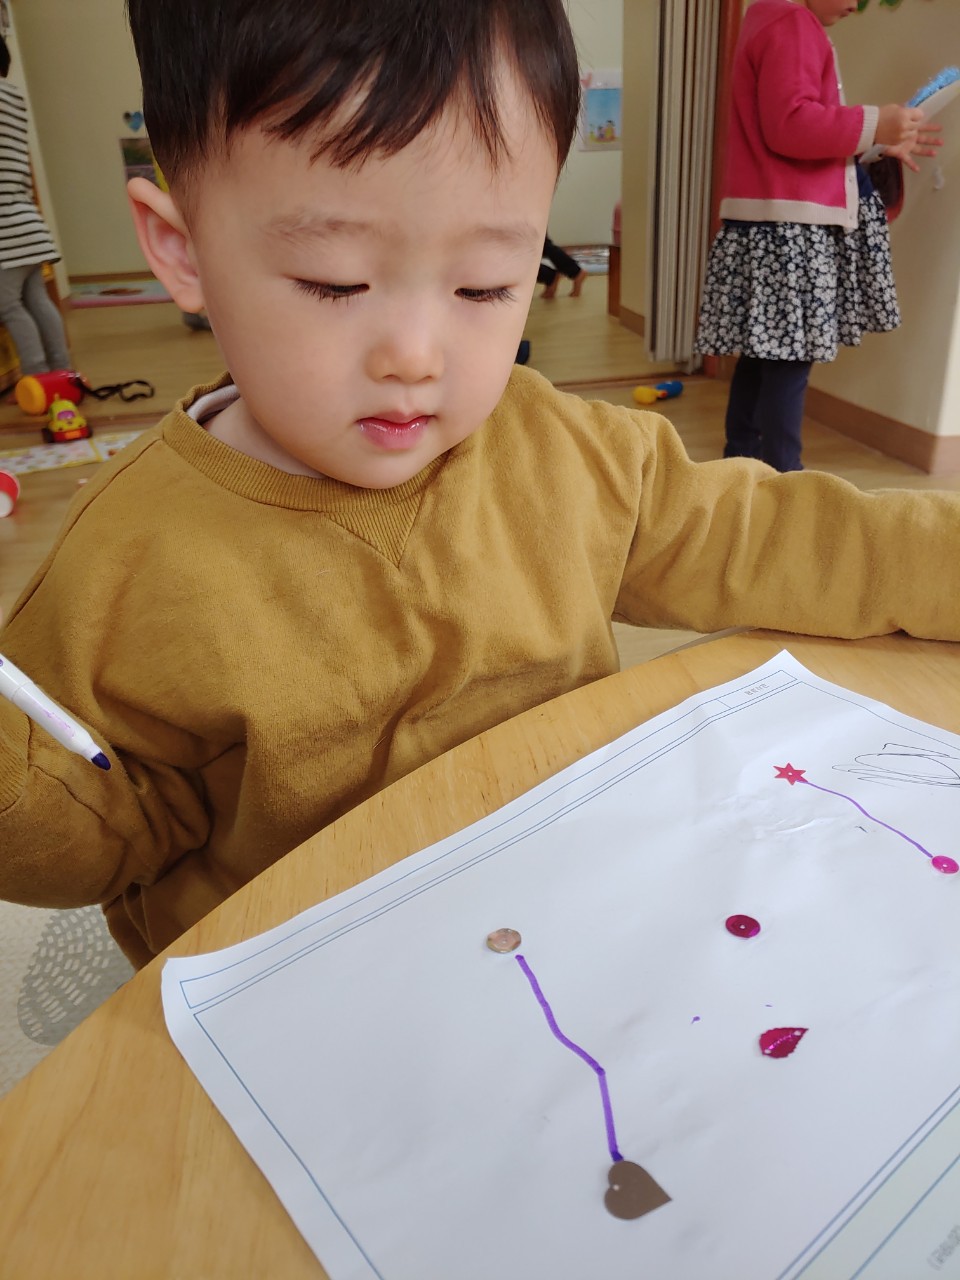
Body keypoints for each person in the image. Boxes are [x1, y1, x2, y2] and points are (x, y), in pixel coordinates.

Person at [1, 0, 960, 968]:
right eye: (335, 282)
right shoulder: (122, 565)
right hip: (309, 985)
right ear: (183, 251)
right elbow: (100, 829)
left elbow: (770, 538)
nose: (415, 357)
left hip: (568, 928)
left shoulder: (562, 452)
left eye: (486, 285)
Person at [694, 0, 941, 473]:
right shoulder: (792, 22)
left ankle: (742, 460)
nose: (856, 5)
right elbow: (790, 125)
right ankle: (784, 476)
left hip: (768, 222)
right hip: (789, 229)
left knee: (763, 353)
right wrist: (874, 122)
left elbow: (796, 131)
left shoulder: (768, 17)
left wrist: (875, 141)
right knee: (790, 359)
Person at [0, 36, 70, 376]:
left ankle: (36, 375)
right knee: (37, 300)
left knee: (7, 305)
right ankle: (62, 371)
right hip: (28, 224)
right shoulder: (14, 97)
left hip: (6, 230)